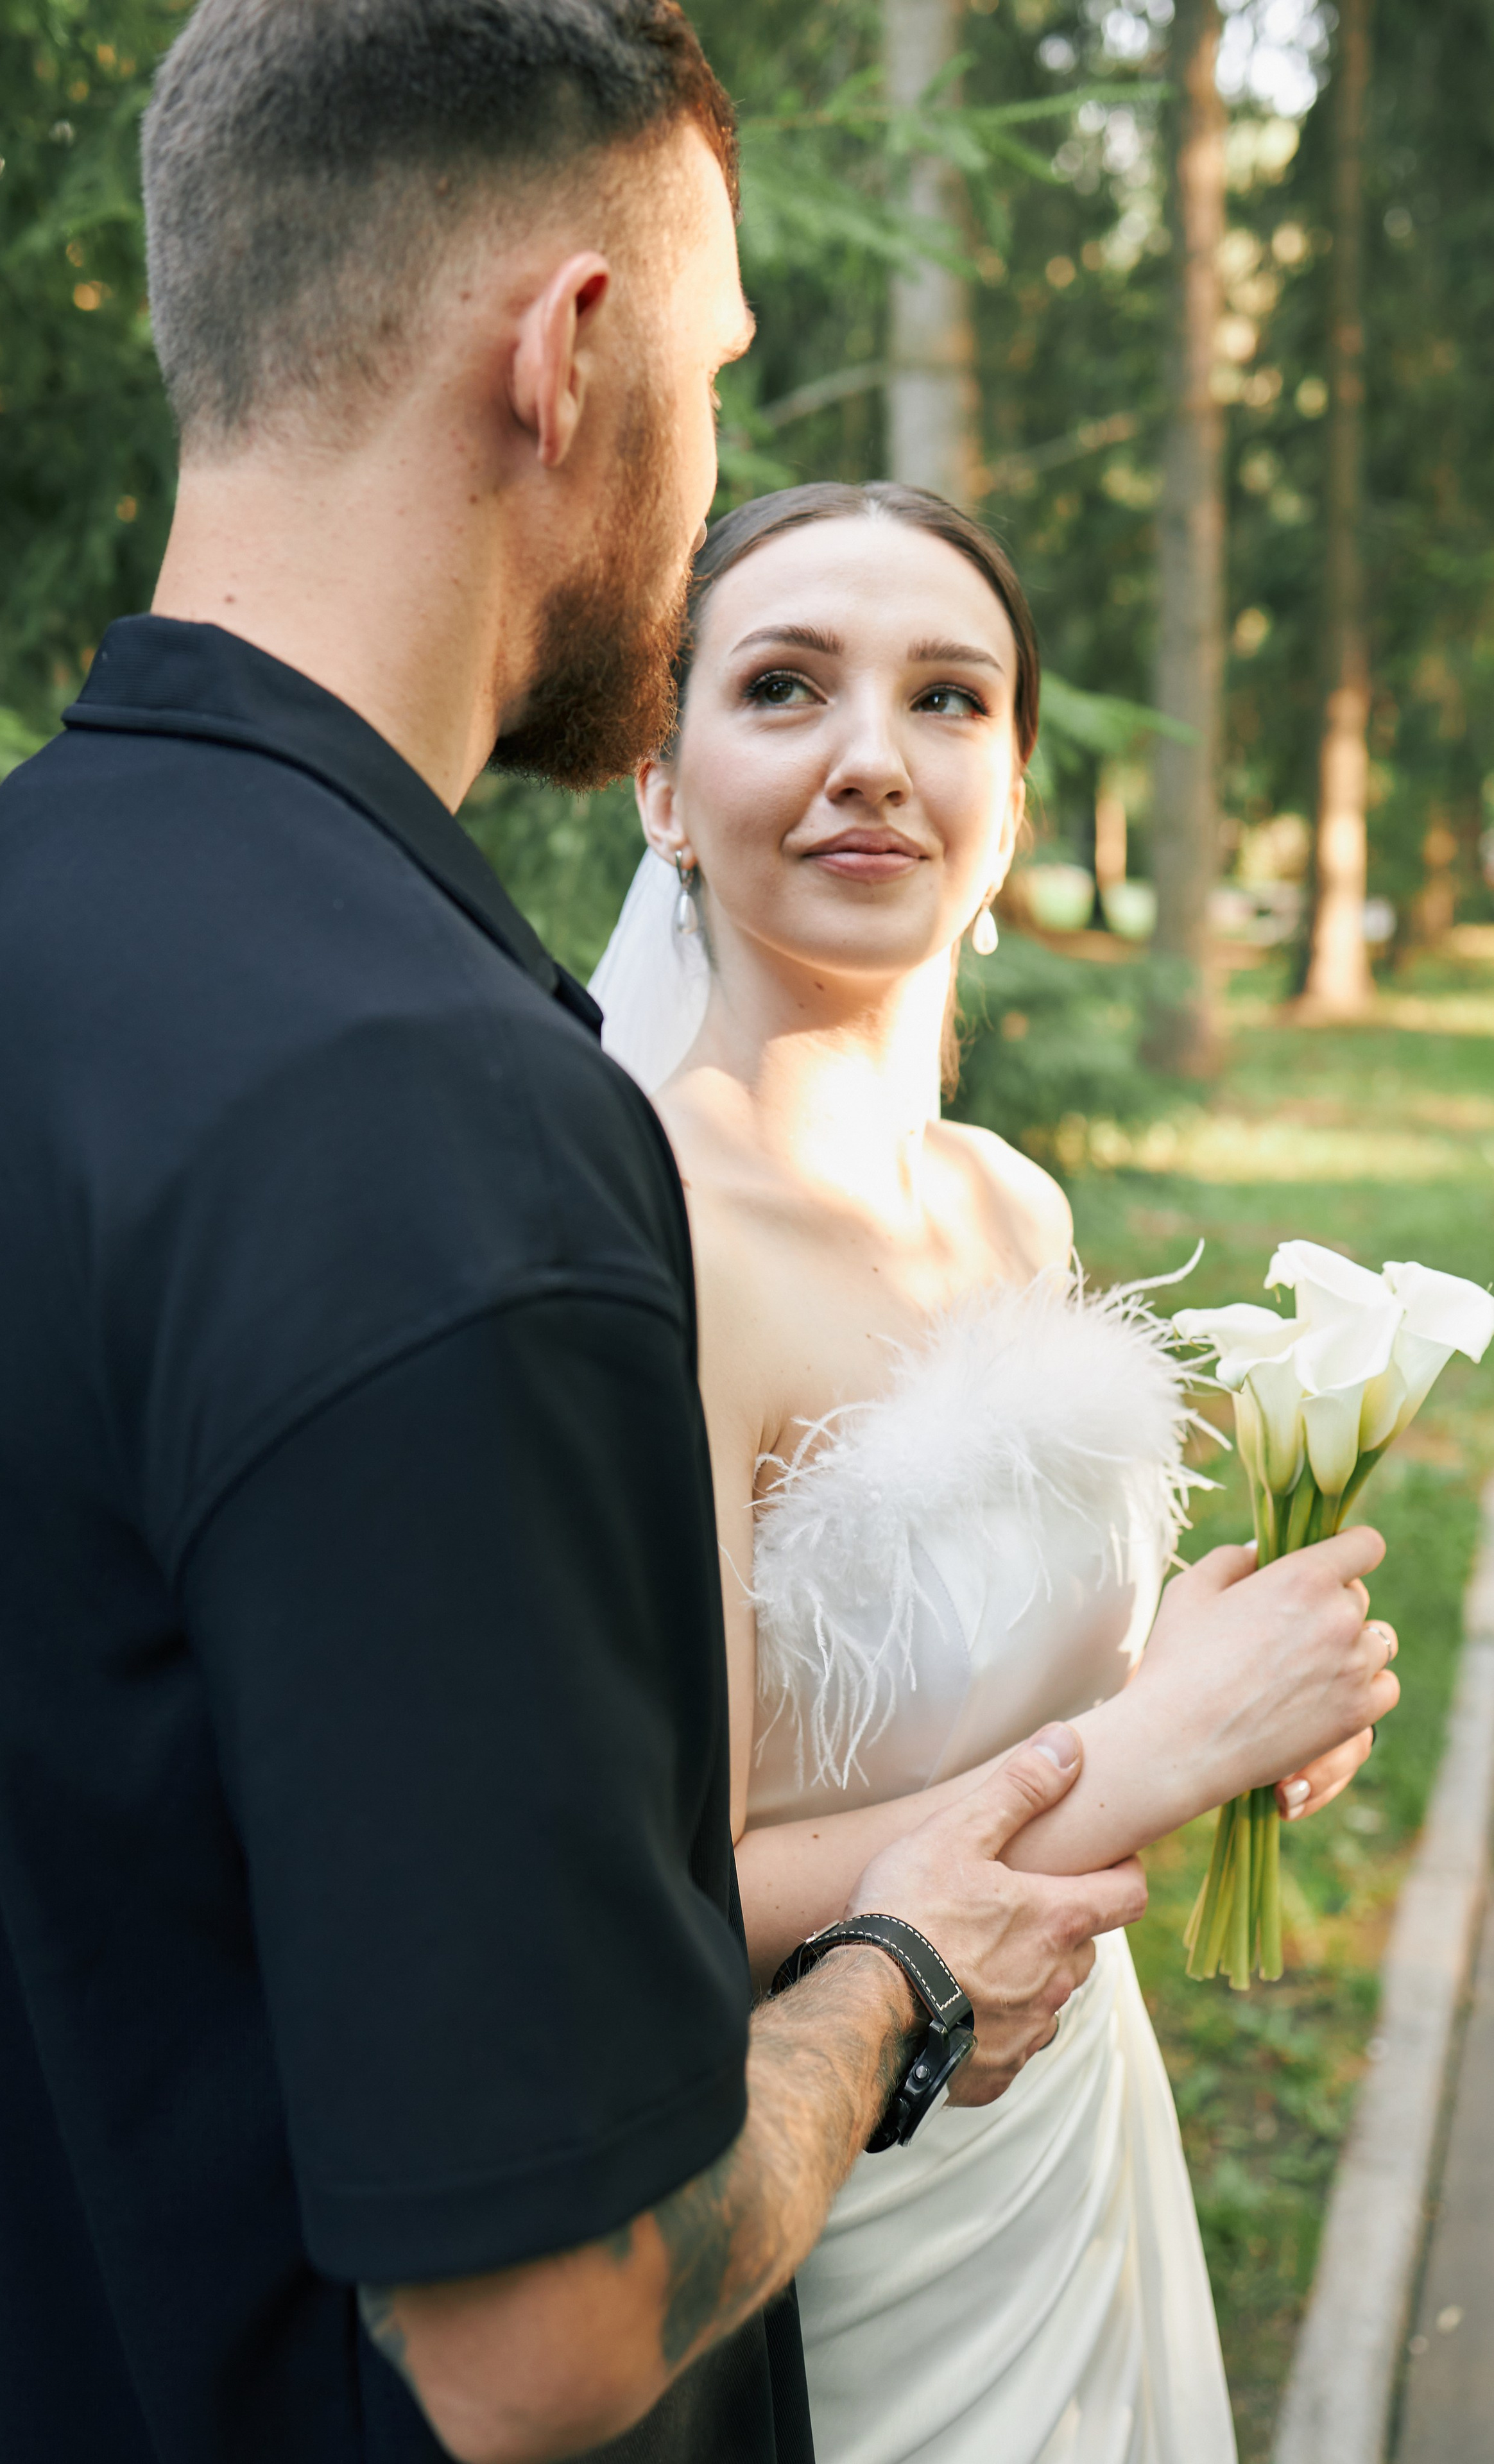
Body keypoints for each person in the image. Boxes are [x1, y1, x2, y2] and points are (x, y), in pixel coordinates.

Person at [0, 14, 1156, 2464]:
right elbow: (540, 2340)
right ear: (568, 357)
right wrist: (897, 1979)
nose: (705, 505)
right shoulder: (438, 1123)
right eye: (713, 368)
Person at [590, 481, 1400, 2463]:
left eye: (949, 700)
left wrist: (1230, 1690)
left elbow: (1006, 1699)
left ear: (1017, 797)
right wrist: (1150, 1764)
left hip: (1074, 2139)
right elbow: (654, 1885)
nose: (875, 756)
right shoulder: (637, 1236)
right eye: (787, 688)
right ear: (664, 791)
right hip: (834, 2196)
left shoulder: (1011, 1203)